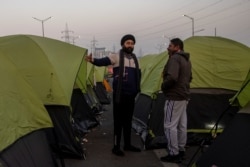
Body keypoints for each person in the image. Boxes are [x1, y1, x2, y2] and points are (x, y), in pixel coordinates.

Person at [85, 34, 141, 156]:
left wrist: (137, 89)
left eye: (132, 43)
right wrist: (92, 60)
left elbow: (138, 76)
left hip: (131, 96)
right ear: (123, 44)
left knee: (128, 121)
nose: (130, 45)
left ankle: (127, 144)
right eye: (128, 43)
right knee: (118, 122)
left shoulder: (135, 59)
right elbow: (103, 61)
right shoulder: (116, 56)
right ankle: (116, 146)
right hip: (119, 96)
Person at [160, 38, 192, 163]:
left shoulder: (175, 58)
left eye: (170, 45)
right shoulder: (186, 60)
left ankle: (173, 153)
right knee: (181, 125)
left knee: (169, 125)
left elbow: (172, 77)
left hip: (174, 96)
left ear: (177, 47)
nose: (168, 48)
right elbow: (190, 77)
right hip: (184, 96)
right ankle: (181, 149)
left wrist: (164, 86)